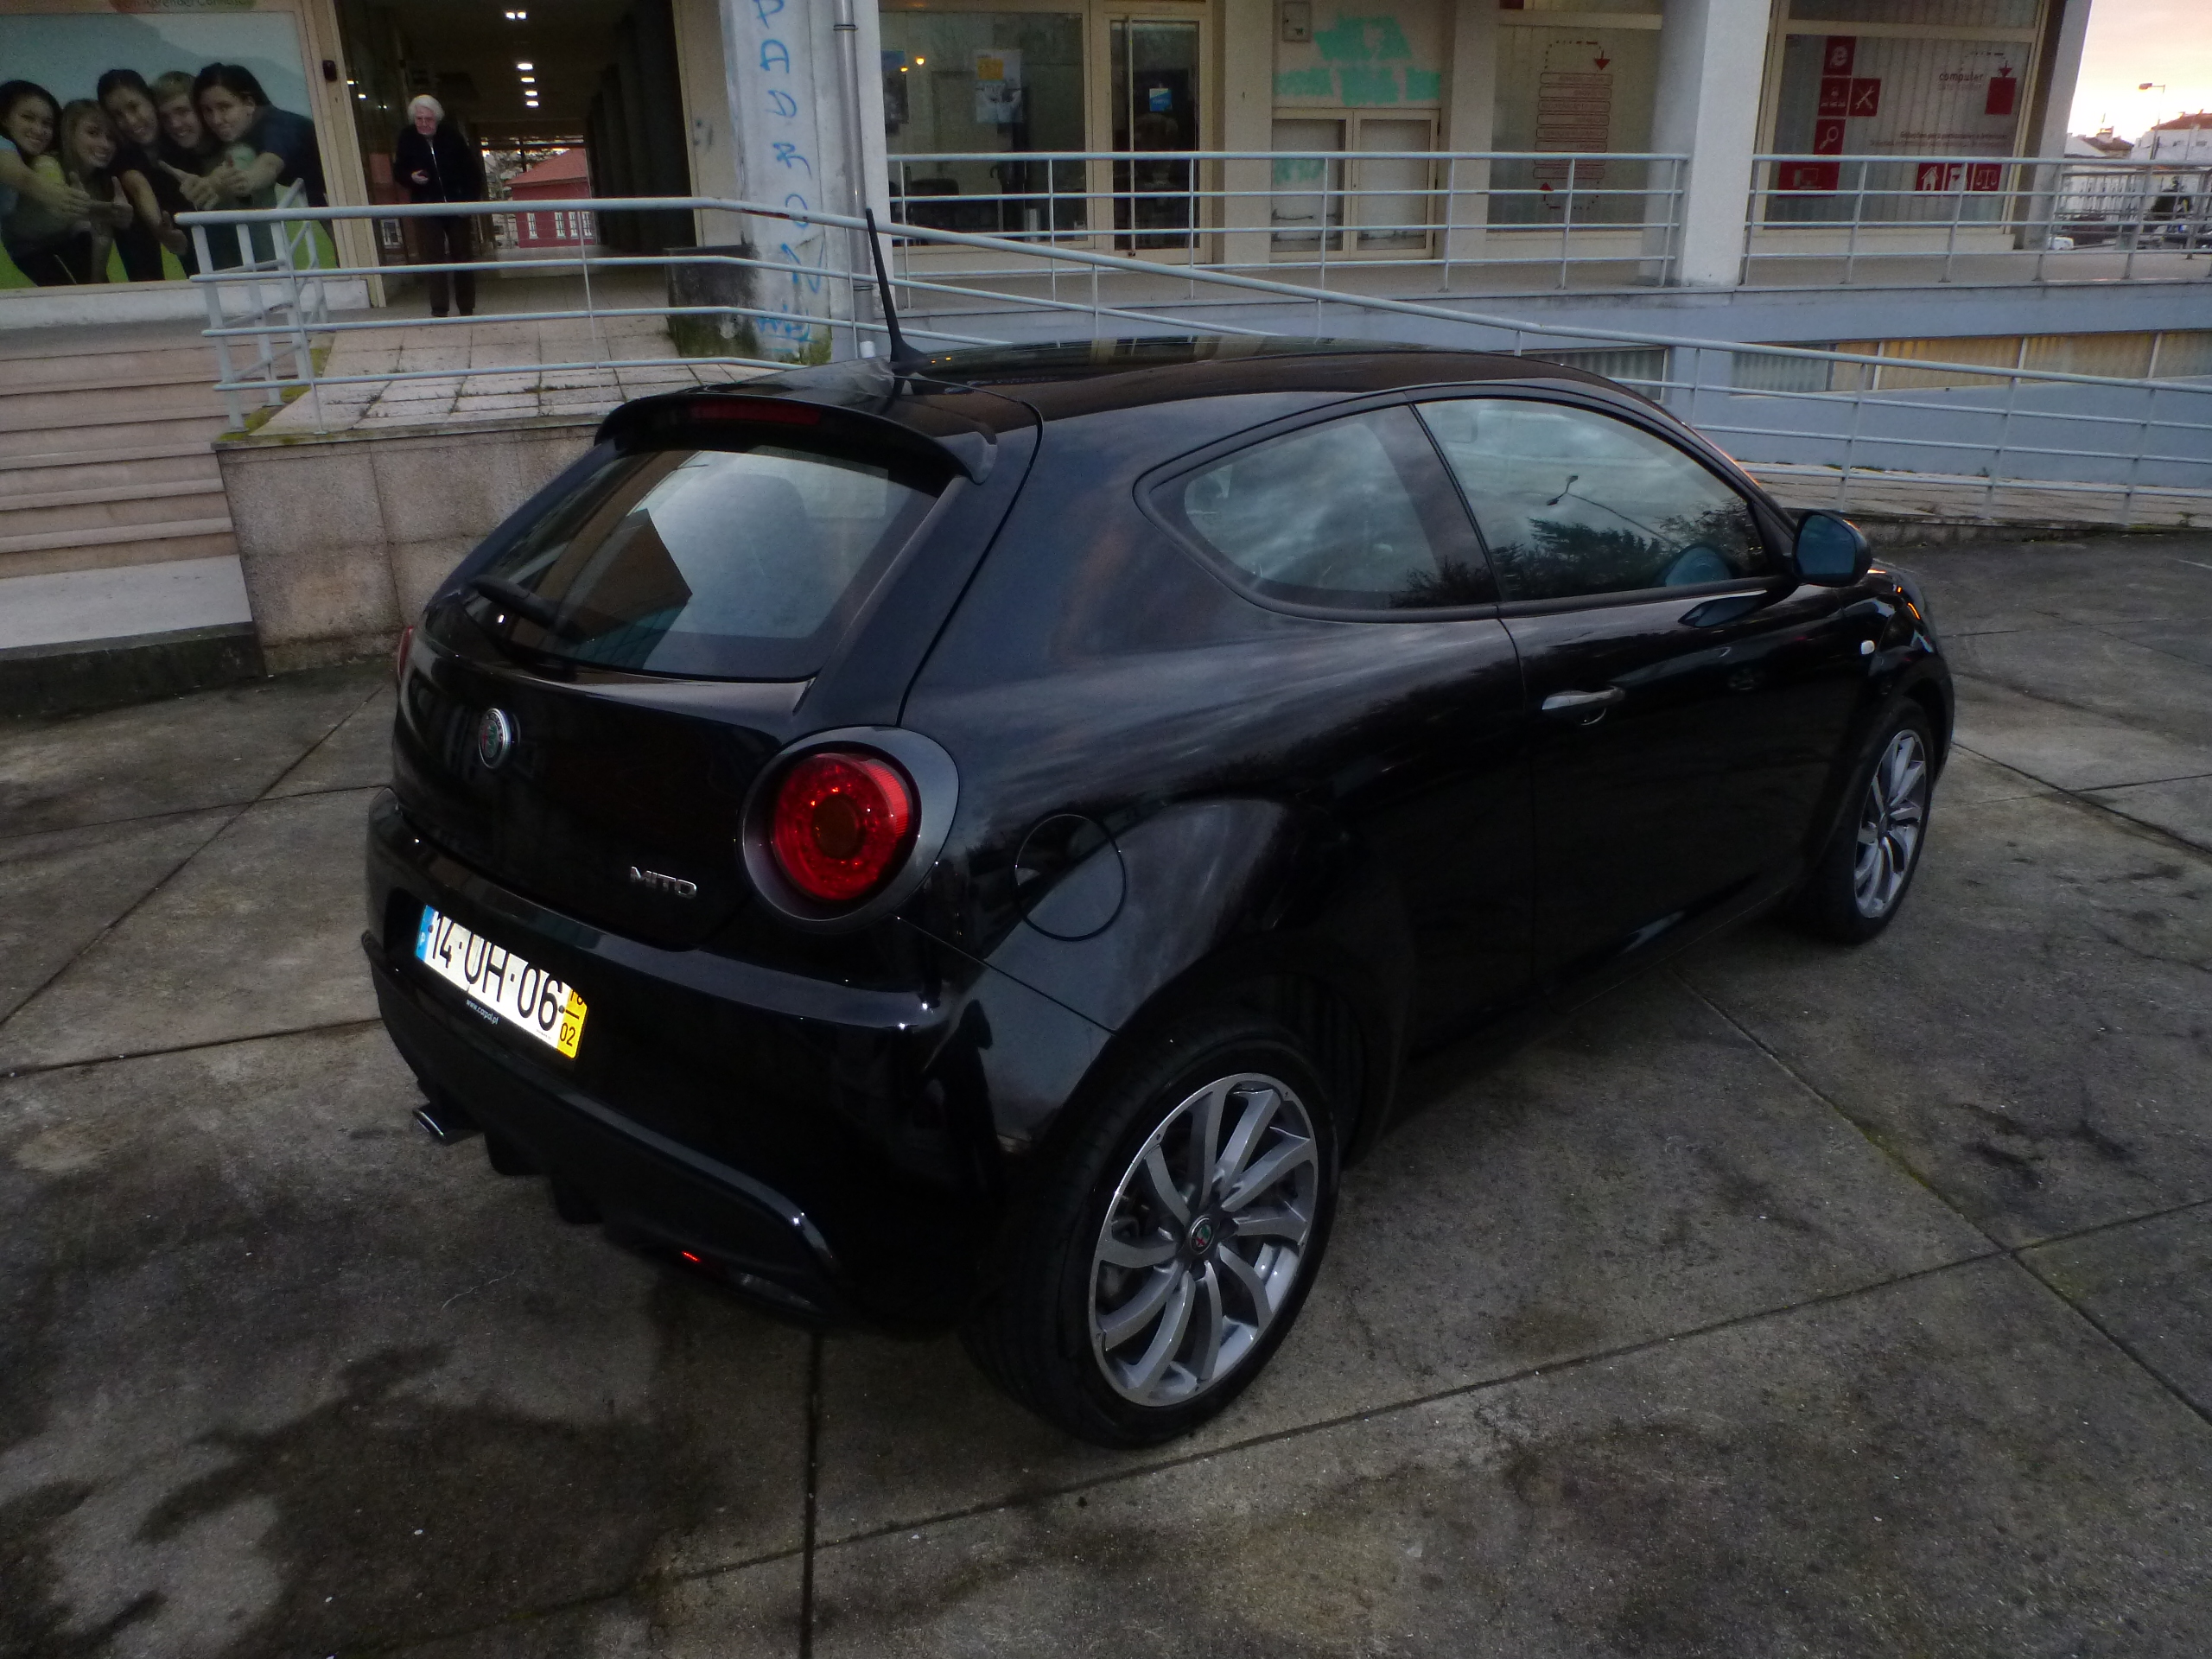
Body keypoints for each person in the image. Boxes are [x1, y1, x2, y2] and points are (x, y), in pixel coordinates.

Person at [392, 93, 486, 318]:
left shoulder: (452, 136)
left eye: (429, 119)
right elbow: (399, 171)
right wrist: (411, 178)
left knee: (462, 255)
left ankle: (466, 306)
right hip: (426, 206)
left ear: (437, 118)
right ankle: (439, 308)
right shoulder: (407, 138)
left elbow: (472, 171)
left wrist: (468, 201)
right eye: (419, 119)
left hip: (457, 205)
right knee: (433, 257)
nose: (424, 124)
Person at [98, 67, 197, 276]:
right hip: (146, 257)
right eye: (117, 115)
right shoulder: (119, 156)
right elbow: (138, 186)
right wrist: (161, 230)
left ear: (151, 101)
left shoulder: (179, 140)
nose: (130, 121)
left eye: (134, 107)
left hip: (200, 249)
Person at [1, 79, 98, 284]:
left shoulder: (36, 158)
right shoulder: (4, 146)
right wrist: (60, 196)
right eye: (28, 118)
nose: (39, 129)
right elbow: (22, 178)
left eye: (47, 123)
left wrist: (103, 210)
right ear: (4, 118)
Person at [193, 64, 326, 209]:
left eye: (224, 107)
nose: (216, 120)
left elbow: (270, 164)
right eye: (207, 110)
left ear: (249, 104)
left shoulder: (280, 126)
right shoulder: (243, 133)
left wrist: (248, 179)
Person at [54, 100, 141, 283]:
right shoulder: (49, 167)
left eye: (111, 138)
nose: (105, 144)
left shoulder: (102, 186)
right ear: (69, 133)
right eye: (93, 133)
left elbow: (96, 277)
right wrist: (105, 210)